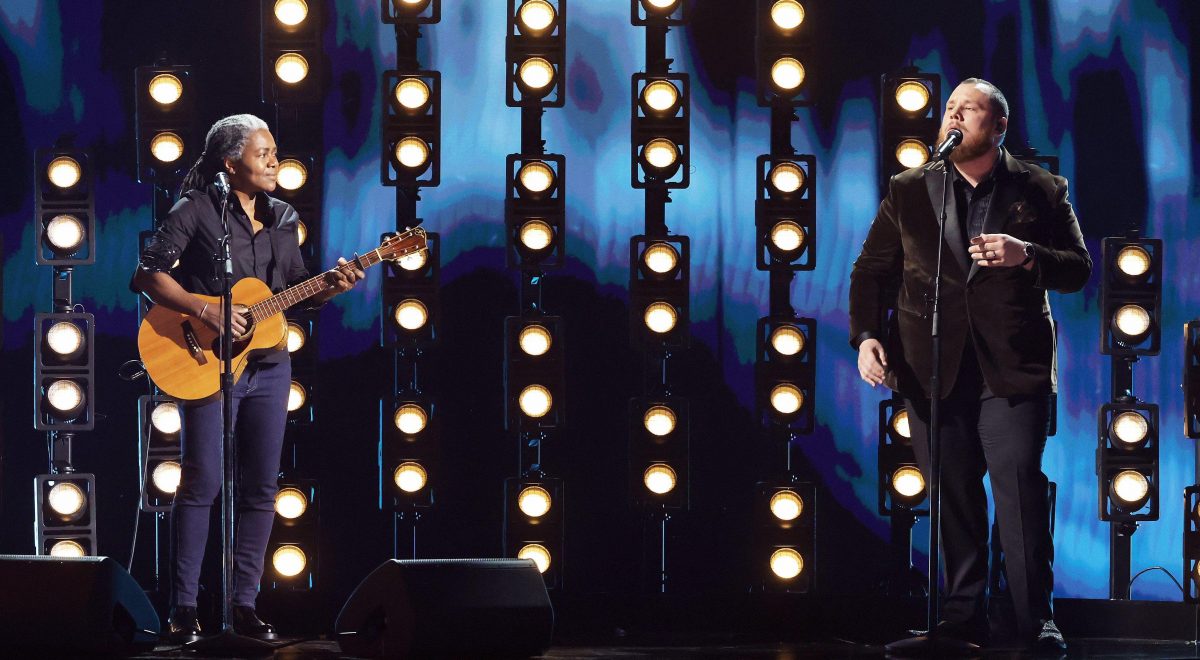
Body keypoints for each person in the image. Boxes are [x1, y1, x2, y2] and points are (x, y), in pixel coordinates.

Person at [849, 79, 1091, 650]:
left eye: (969, 109)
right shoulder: (910, 188)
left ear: (999, 126)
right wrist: (866, 337)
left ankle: (1034, 620)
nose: (954, 116)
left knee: (1019, 489)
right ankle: (962, 618)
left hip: (1012, 367)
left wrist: (1026, 255)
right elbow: (871, 270)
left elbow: (1078, 268)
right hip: (932, 364)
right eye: (950, 108)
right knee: (952, 493)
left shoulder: (1041, 188)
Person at [131, 114, 364, 643]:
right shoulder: (197, 209)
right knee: (202, 483)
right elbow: (147, 275)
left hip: (270, 364)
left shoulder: (284, 217)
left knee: (261, 487)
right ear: (230, 163)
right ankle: (184, 608)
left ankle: (243, 605)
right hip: (204, 360)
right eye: (264, 154)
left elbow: (294, 289)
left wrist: (332, 286)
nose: (275, 162)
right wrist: (206, 310)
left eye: (275, 152)